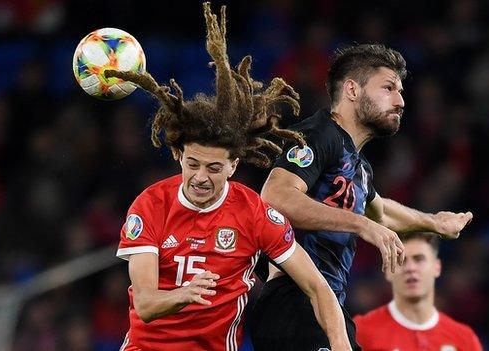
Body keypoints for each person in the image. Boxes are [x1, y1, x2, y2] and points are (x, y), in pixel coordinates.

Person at [112, 3, 351, 350]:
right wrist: (185, 294)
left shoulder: (253, 213)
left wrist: (341, 344)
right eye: (192, 164)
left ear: (233, 166)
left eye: (213, 168)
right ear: (179, 155)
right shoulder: (150, 205)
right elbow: (146, 305)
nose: (200, 178)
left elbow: (317, 287)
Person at [250, 44, 473, 350]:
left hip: (328, 306)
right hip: (294, 300)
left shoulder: (360, 168)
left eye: (401, 91)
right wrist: (361, 225)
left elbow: (380, 213)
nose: (400, 101)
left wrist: (433, 222)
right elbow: (276, 195)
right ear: (352, 90)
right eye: (388, 88)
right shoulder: (320, 134)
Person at [354, 233, 482, 350]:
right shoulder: (360, 331)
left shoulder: (464, 339)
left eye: (419, 259)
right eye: (401, 260)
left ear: (437, 267)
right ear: (387, 270)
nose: (410, 268)